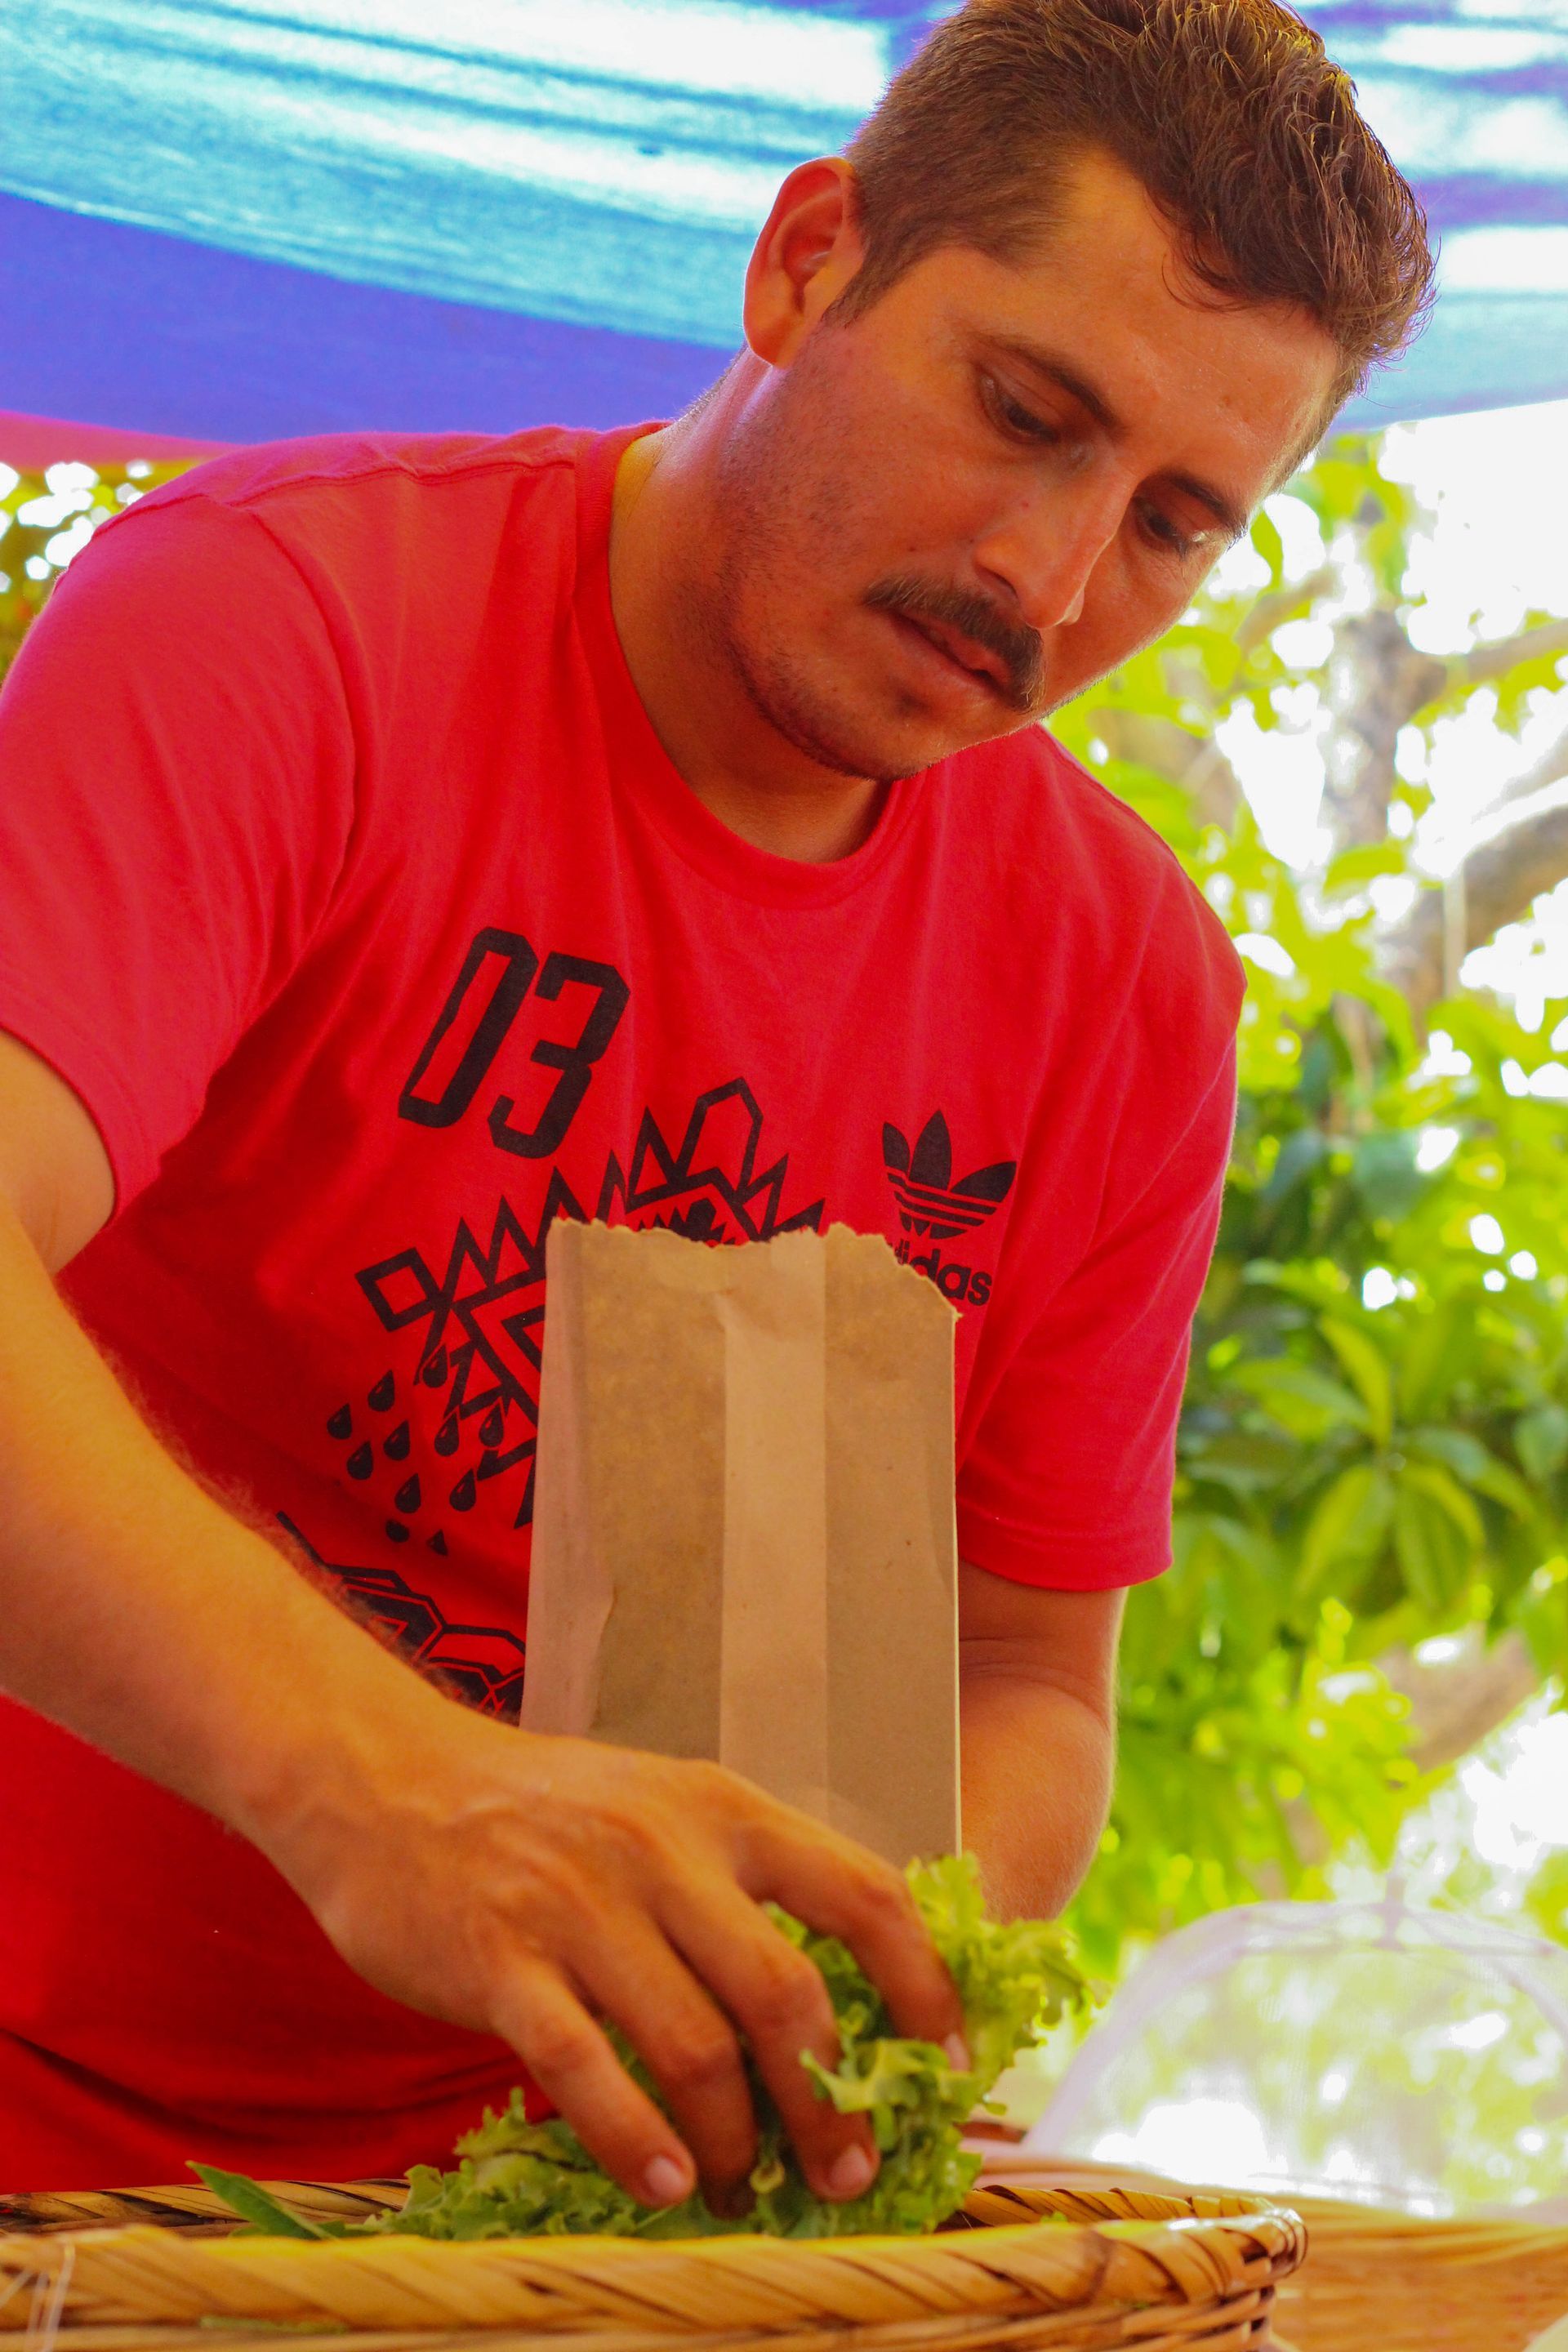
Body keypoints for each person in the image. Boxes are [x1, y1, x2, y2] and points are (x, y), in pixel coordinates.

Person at [0, 0, 1430, 2201]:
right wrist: (386, 1788)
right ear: (805, 263)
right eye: (1025, 413)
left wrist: (849, 1979)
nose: (1049, 583)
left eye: (1170, 524)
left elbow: (1032, 1679)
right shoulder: (280, 623)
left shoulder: (1125, 985)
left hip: (604, 2221)